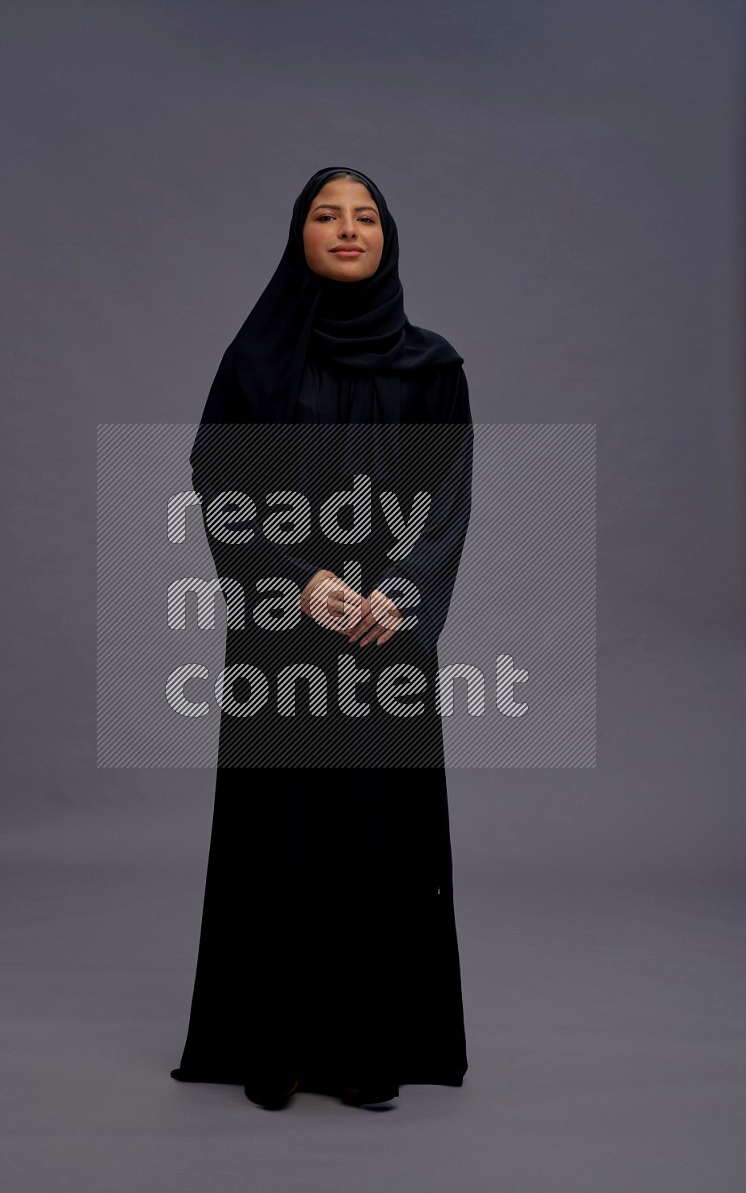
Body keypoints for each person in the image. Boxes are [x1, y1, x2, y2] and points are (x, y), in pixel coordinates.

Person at [170, 166, 474, 1110]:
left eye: (366, 216)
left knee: (378, 840)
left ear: (389, 238)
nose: (348, 229)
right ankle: (277, 1042)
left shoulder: (433, 368)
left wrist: (398, 593)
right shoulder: (256, 362)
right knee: (283, 837)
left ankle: (366, 1044)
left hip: (386, 641)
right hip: (282, 644)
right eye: (325, 215)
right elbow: (219, 487)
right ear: (297, 235)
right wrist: (303, 586)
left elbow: (449, 500)